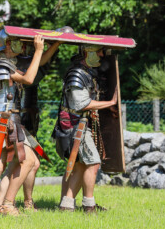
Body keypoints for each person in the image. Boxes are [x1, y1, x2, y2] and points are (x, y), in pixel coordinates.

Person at [0, 30, 60, 216]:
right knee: (20, 162)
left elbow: (37, 65)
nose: (22, 47)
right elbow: (29, 78)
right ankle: (4, 205)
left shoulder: (8, 64)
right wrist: (38, 50)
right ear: (7, 44)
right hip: (2, 122)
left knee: (4, 166)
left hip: (9, 122)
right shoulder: (0, 65)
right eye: (17, 43)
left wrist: (55, 44)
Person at [54, 45, 117, 213]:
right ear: (86, 52)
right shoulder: (77, 74)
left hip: (83, 124)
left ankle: (67, 205)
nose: (101, 55)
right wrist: (109, 103)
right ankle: (89, 205)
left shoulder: (87, 73)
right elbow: (80, 104)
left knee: (81, 165)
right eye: (98, 51)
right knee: (93, 162)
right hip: (75, 125)